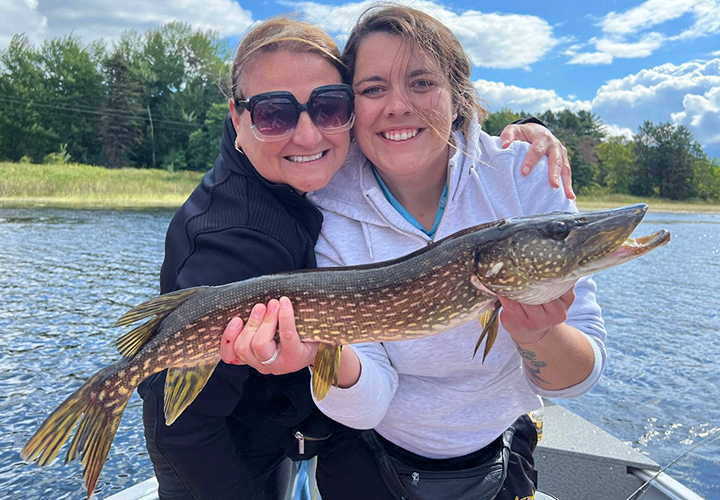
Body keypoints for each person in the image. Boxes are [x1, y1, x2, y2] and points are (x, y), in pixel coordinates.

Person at [143, 14, 571, 500]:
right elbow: (180, 425)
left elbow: (418, 130)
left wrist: (527, 131)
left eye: (327, 107)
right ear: (238, 119)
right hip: (217, 454)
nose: (307, 135)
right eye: (273, 114)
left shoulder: (325, 168)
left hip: (289, 432)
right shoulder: (229, 239)